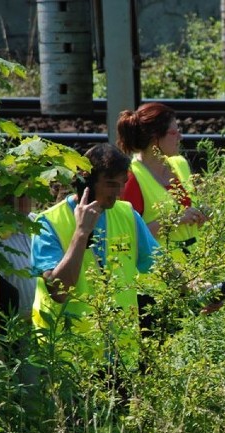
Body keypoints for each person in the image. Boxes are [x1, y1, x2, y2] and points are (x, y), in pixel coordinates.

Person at [30, 143, 159, 373]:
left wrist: (201, 290)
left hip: (121, 357)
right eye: (111, 184)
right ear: (86, 181)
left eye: (122, 184)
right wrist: (81, 233)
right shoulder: (48, 222)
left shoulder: (127, 214)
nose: (118, 192)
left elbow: (162, 265)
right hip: (68, 360)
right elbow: (59, 291)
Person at [117, 102, 207, 257]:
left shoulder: (180, 164)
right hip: (158, 272)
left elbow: (188, 219)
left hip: (194, 265)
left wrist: (201, 214)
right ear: (155, 138)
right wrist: (174, 220)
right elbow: (129, 236)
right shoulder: (132, 176)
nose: (180, 136)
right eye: (174, 133)